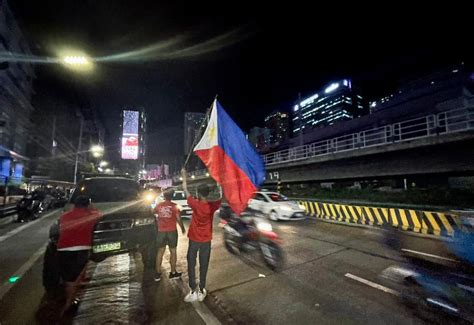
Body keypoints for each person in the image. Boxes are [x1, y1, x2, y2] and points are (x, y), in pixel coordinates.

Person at [56, 195, 102, 315]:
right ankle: (68, 305)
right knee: (76, 279)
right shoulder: (91, 216)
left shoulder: (64, 216)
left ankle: (70, 299)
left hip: (62, 250)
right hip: (81, 250)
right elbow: (99, 213)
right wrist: (92, 208)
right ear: (87, 205)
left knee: (68, 278)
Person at [181, 168, 221, 303]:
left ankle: (193, 290)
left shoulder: (195, 204)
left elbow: (185, 190)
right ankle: (202, 289)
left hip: (194, 240)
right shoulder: (211, 205)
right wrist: (221, 183)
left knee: (191, 263)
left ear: (198, 193)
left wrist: (184, 176)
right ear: (208, 193)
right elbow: (223, 197)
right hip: (206, 240)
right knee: (204, 264)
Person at [154, 189, 186, 282]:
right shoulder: (174, 206)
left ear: (164, 196)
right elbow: (178, 219)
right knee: (173, 251)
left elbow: (153, 212)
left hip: (161, 232)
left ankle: (157, 274)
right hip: (172, 231)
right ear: (172, 196)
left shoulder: (159, 205)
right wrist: (182, 228)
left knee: (160, 252)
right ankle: (173, 272)